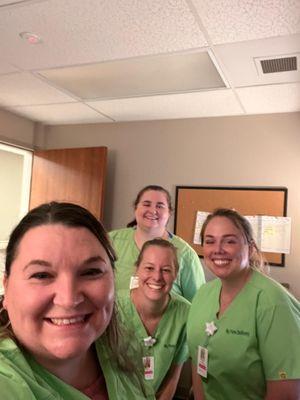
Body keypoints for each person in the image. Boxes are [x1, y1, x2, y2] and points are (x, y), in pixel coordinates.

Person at [0, 202, 155, 400]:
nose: (68, 300)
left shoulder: (124, 354)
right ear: (7, 286)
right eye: (41, 275)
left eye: (91, 272)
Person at [187, 208, 300, 400]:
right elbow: (198, 363)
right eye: (210, 241)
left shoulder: (273, 303)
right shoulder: (203, 294)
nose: (218, 249)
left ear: (250, 247)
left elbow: (286, 394)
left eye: (229, 241)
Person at [117, 238, 191, 400]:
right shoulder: (113, 308)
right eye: (149, 268)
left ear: (175, 274)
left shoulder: (184, 314)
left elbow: (173, 375)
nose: (157, 277)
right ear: (137, 269)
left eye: (165, 270)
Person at [109, 185, 205, 301]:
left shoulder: (186, 254)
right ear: (136, 208)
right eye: (146, 204)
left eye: (160, 206)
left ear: (169, 212)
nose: (153, 210)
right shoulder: (112, 241)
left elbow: (199, 303)